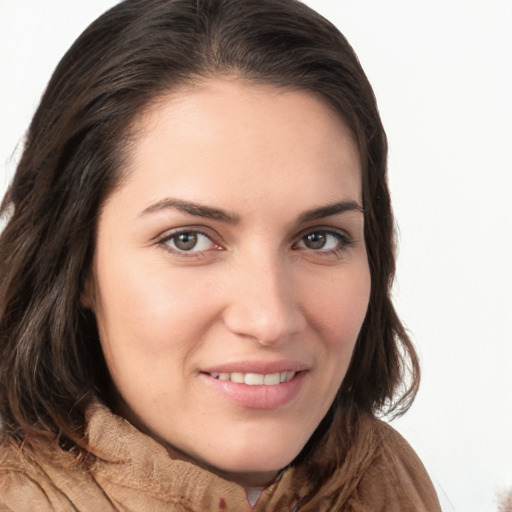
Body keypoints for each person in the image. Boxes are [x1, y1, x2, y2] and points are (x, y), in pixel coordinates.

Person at [0, 0, 441, 510]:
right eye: (187, 239)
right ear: (76, 262)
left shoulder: (392, 480)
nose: (269, 319)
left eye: (319, 238)